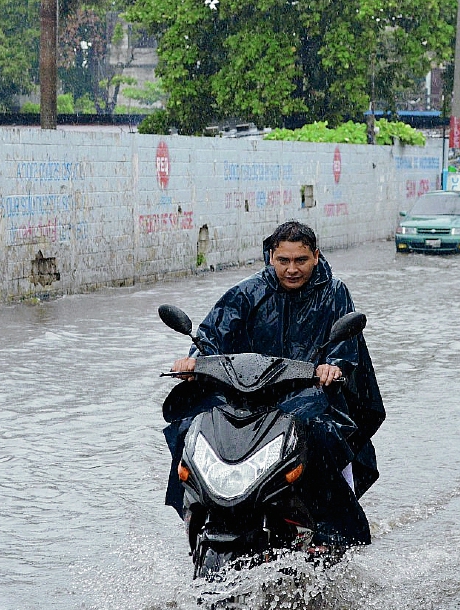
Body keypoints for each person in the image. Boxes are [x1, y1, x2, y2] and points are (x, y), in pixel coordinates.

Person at [164, 220, 385, 547]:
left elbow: (343, 348)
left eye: (301, 261)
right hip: (246, 395)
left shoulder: (334, 293)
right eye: (284, 261)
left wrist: (331, 368)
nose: (292, 269)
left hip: (308, 396)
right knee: (190, 428)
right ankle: (196, 510)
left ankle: (331, 531)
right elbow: (211, 336)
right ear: (271, 257)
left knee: (322, 438)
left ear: (316, 256)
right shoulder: (247, 292)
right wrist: (193, 361)